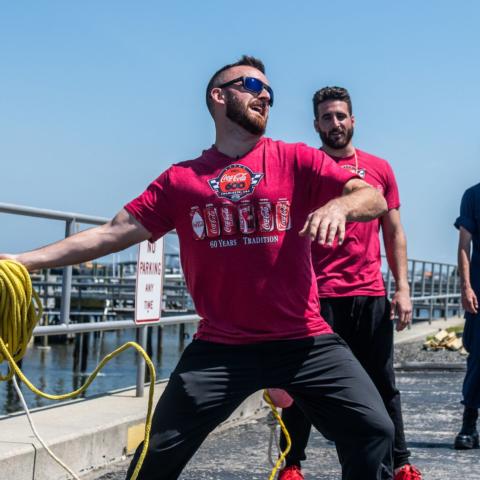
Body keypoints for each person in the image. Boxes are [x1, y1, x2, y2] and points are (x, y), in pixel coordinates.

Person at [0, 57, 394, 480]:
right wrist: (20, 261)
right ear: (219, 95)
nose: (264, 95)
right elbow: (111, 233)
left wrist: (338, 205)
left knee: (373, 429)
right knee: (156, 457)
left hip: (303, 339)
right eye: (251, 85)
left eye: (269, 92)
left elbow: (373, 198)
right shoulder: (181, 180)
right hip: (222, 347)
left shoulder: (296, 160)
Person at [278, 87, 422, 480]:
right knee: (302, 384)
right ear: (316, 125)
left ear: (353, 120)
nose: (335, 123)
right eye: (327, 117)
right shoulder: (305, 169)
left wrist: (403, 288)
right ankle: (291, 464)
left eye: (341, 116)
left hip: (369, 293)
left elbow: (394, 233)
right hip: (317, 295)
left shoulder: (379, 168)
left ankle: (401, 460)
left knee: (382, 382)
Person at [454, 183, 480, 449]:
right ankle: (469, 426)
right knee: (478, 358)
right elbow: (464, 245)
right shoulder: (473, 195)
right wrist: (466, 286)